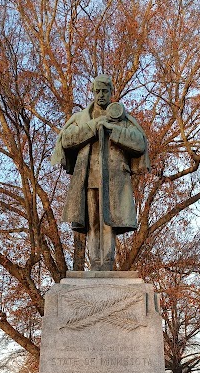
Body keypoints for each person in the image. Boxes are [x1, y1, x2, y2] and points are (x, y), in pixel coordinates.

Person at [51, 75, 150, 271]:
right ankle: (95, 262)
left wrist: (112, 129)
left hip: (113, 179)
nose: (101, 95)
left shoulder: (120, 117)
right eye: (97, 91)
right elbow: (66, 139)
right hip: (89, 177)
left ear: (111, 92)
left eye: (105, 91)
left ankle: (107, 263)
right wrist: (92, 128)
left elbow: (139, 143)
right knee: (92, 221)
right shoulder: (81, 118)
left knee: (109, 222)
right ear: (93, 92)